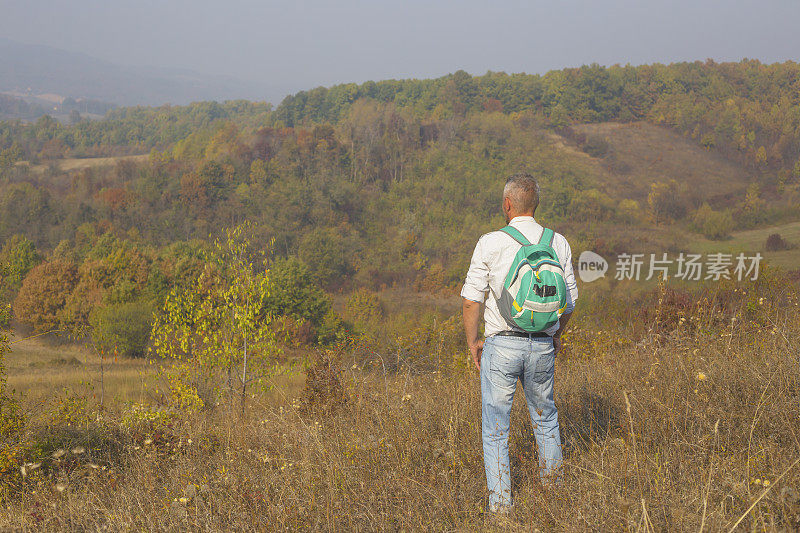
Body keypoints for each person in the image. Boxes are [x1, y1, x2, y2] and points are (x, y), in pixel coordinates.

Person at [460, 173, 578, 513]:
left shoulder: (491, 242)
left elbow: (471, 299)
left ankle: (501, 508)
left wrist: (473, 343)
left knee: (496, 430)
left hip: (502, 345)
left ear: (507, 205)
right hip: (542, 345)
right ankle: (555, 498)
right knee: (545, 419)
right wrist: (556, 335)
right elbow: (569, 301)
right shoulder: (559, 243)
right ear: (535, 204)